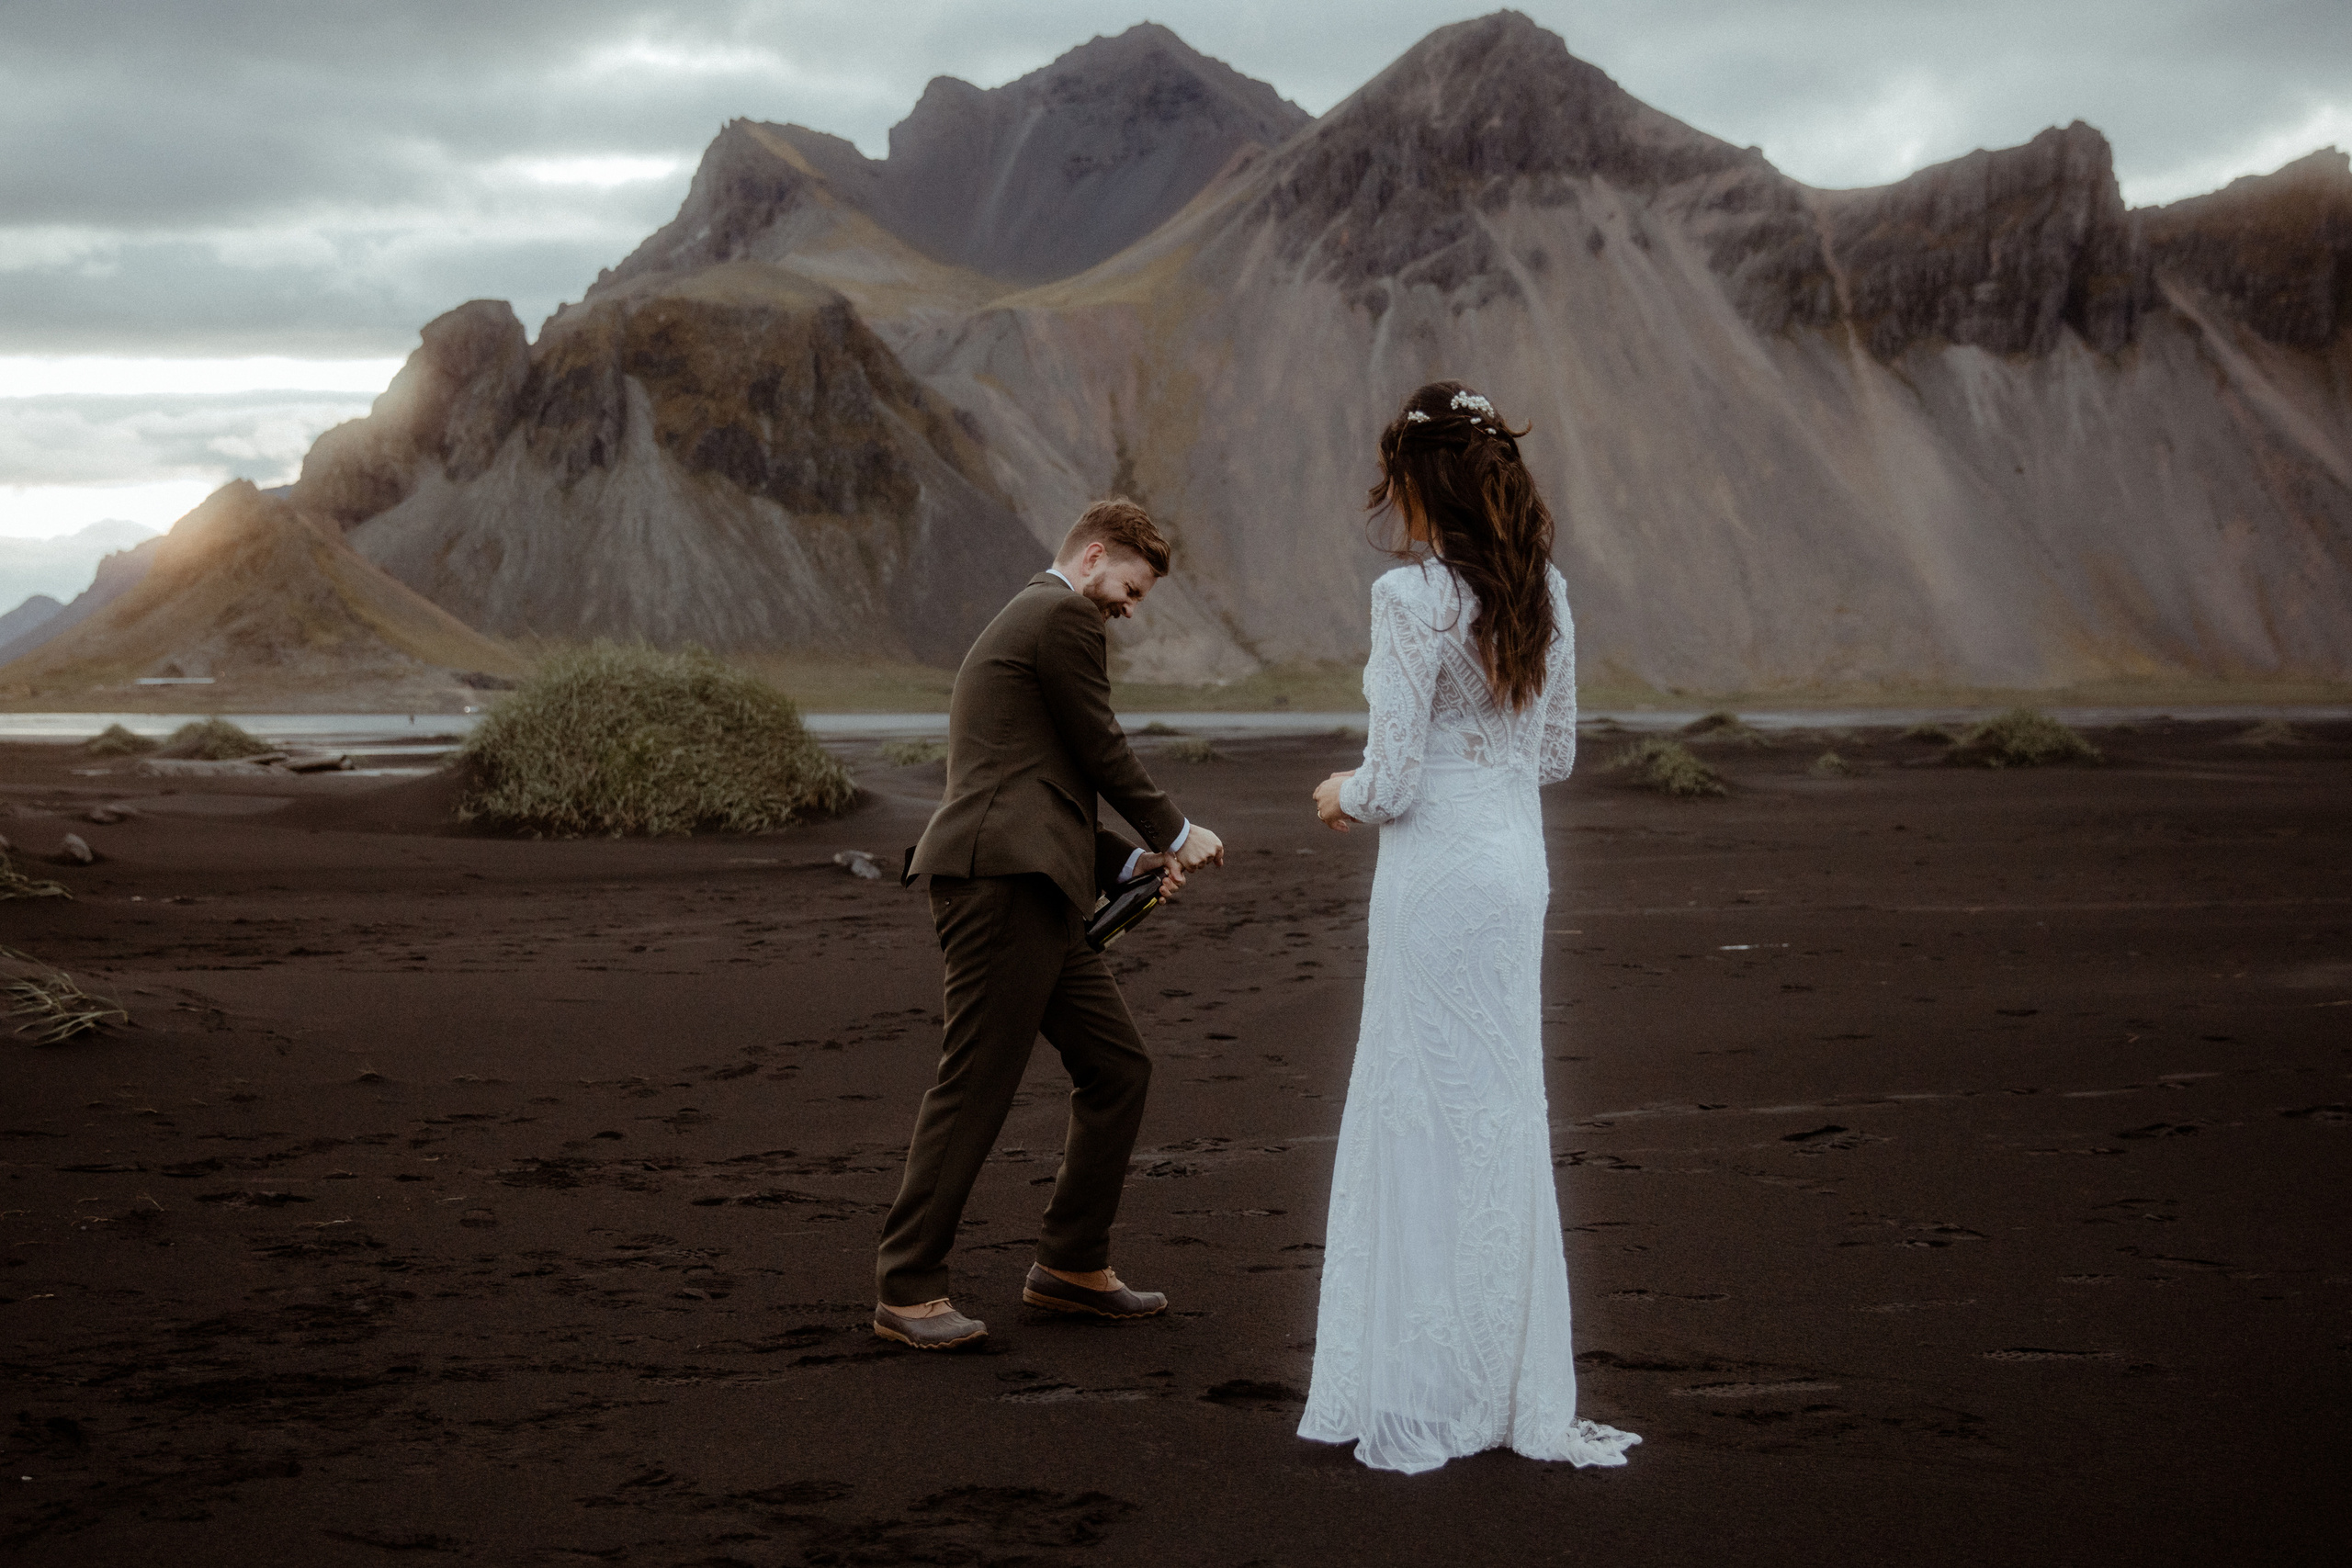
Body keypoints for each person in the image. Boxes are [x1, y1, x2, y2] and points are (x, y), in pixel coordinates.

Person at [1298, 382, 1640, 1473]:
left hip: (1437, 872)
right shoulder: (1548, 591)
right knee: (1496, 1108)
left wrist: (1338, 792)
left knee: (1417, 1107)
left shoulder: (1410, 600)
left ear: (1421, 480)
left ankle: (1415, 1383)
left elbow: (1393, 780)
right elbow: (1552, 756)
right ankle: (1499, 1381)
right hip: (1512, 866)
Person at [875, 498, 1227, 1350]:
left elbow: (1038, 778)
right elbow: (1102, 749)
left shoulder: (1029, 621)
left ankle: (1070, 1264)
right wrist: (1176, 834)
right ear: (1095, 554)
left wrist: (1127, 865)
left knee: (1117, 1066)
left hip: (1029, 879)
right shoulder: (1061, 614)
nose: (1129, 609)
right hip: (1001, 886)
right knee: (976, 1083)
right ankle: (908, 1285)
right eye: (1131, 589)